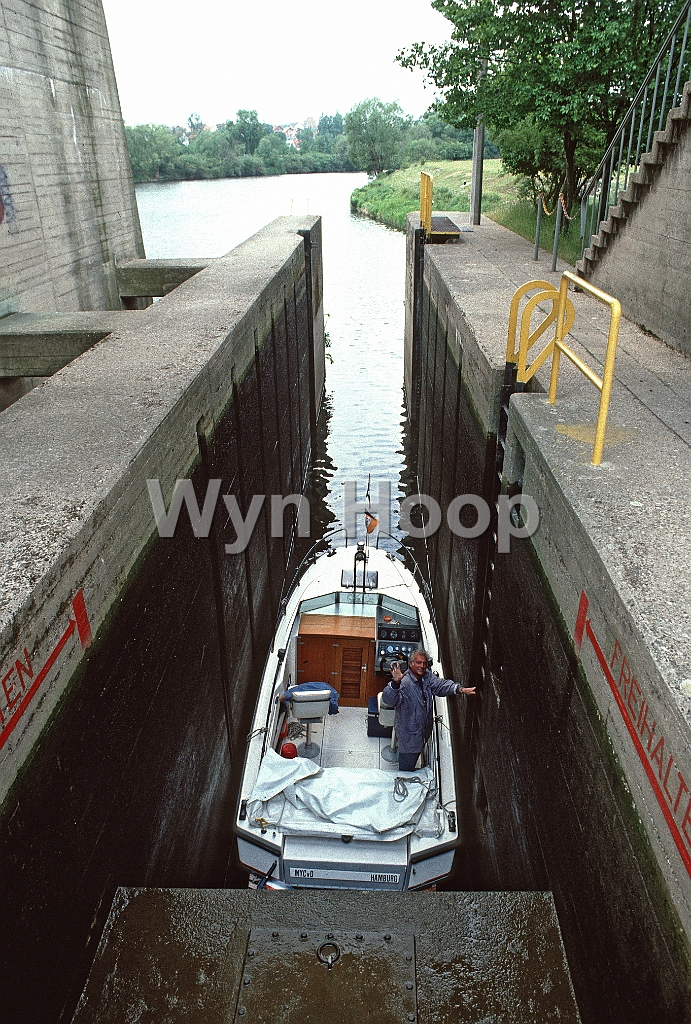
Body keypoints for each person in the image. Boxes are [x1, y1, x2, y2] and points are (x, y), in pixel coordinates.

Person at [381, 648, 476, 772]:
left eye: (424, 663)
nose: (422, 666)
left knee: (415, 757)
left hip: (423, 734)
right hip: (408, 739)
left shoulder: (427, 677)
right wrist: (395, 683)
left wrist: (460, 689)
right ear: (411, 664)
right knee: (406, 770)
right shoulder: (404, 683)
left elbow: (440, 686)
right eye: (418, 663)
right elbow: (388, 699)